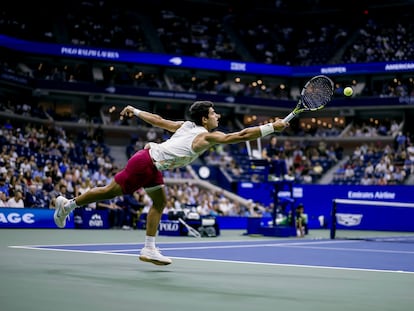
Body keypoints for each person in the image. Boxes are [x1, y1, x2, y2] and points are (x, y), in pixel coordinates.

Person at [53, 101, 288, 265]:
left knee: (158, 202)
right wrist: (270, 128)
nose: (218, 116)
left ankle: (147, 246)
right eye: (214, 113)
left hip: (150, 163)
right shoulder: (205, 135)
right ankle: (69, 206)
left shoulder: (187, 126)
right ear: (205, 118)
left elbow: (158, 121)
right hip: (146, 163)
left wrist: (135, 110)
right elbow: (239, 136)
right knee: (109, 193)